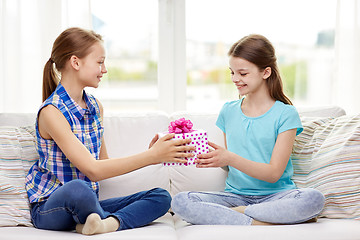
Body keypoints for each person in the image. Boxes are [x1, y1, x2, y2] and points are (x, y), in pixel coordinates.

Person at [25, 27, 194, 235]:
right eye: (99, 62)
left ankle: (103, 224)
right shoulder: (52, 112)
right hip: (51, 208)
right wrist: (150, 156)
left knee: (161, 197)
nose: (104, 69)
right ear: (76, 62)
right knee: (78, 189)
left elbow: (103, 165)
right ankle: (99, 220)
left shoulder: (95, 107)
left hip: (89, 206)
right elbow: (92, 170)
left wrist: (154, 156)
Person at [171, 34, 325, 225]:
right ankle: (262, 221)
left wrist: (229, 157)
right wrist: (214, 157)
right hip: (235, 197)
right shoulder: (228, 111)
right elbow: (231, 165)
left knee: (313, 199)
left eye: (243, 74)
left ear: (266, 72)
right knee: (181, 201)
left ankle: (239, 215)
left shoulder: (286, 114)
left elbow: (273, 173)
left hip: (277, 196)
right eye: (232, 72)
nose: (235, 79)